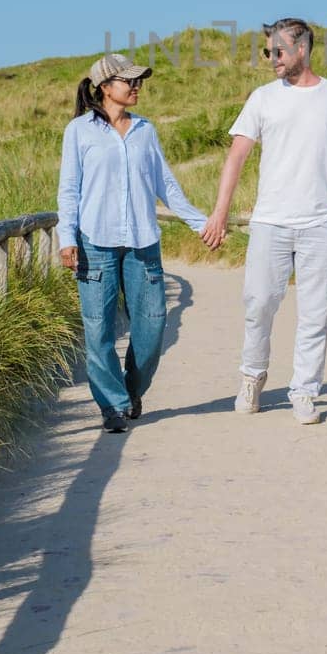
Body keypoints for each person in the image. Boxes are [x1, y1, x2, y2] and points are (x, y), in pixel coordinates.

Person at [203, 19, 327, 425]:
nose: (271, 59)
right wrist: (220, 211)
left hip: (322, 225)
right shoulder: (262, 98)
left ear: (302, 49)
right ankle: (252, 377)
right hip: (270, 223)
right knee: (259, 303)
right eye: (267, 52)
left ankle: (305, 392)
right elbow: (236, 155)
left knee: (316, 312)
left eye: (278, 51)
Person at [57, 53, 210, 433]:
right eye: (129, 81)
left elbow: (166, 186)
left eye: (139, 80)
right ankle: (112, 405)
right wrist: (66, 238)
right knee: (98, 330)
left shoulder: (145, 130)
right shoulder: (79, 131)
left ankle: (132, 390)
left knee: (153, 325)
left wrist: (200, 223)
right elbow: (69, 190)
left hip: (143, 243)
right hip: (95, 242)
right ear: (105, 87)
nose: (137, 86)